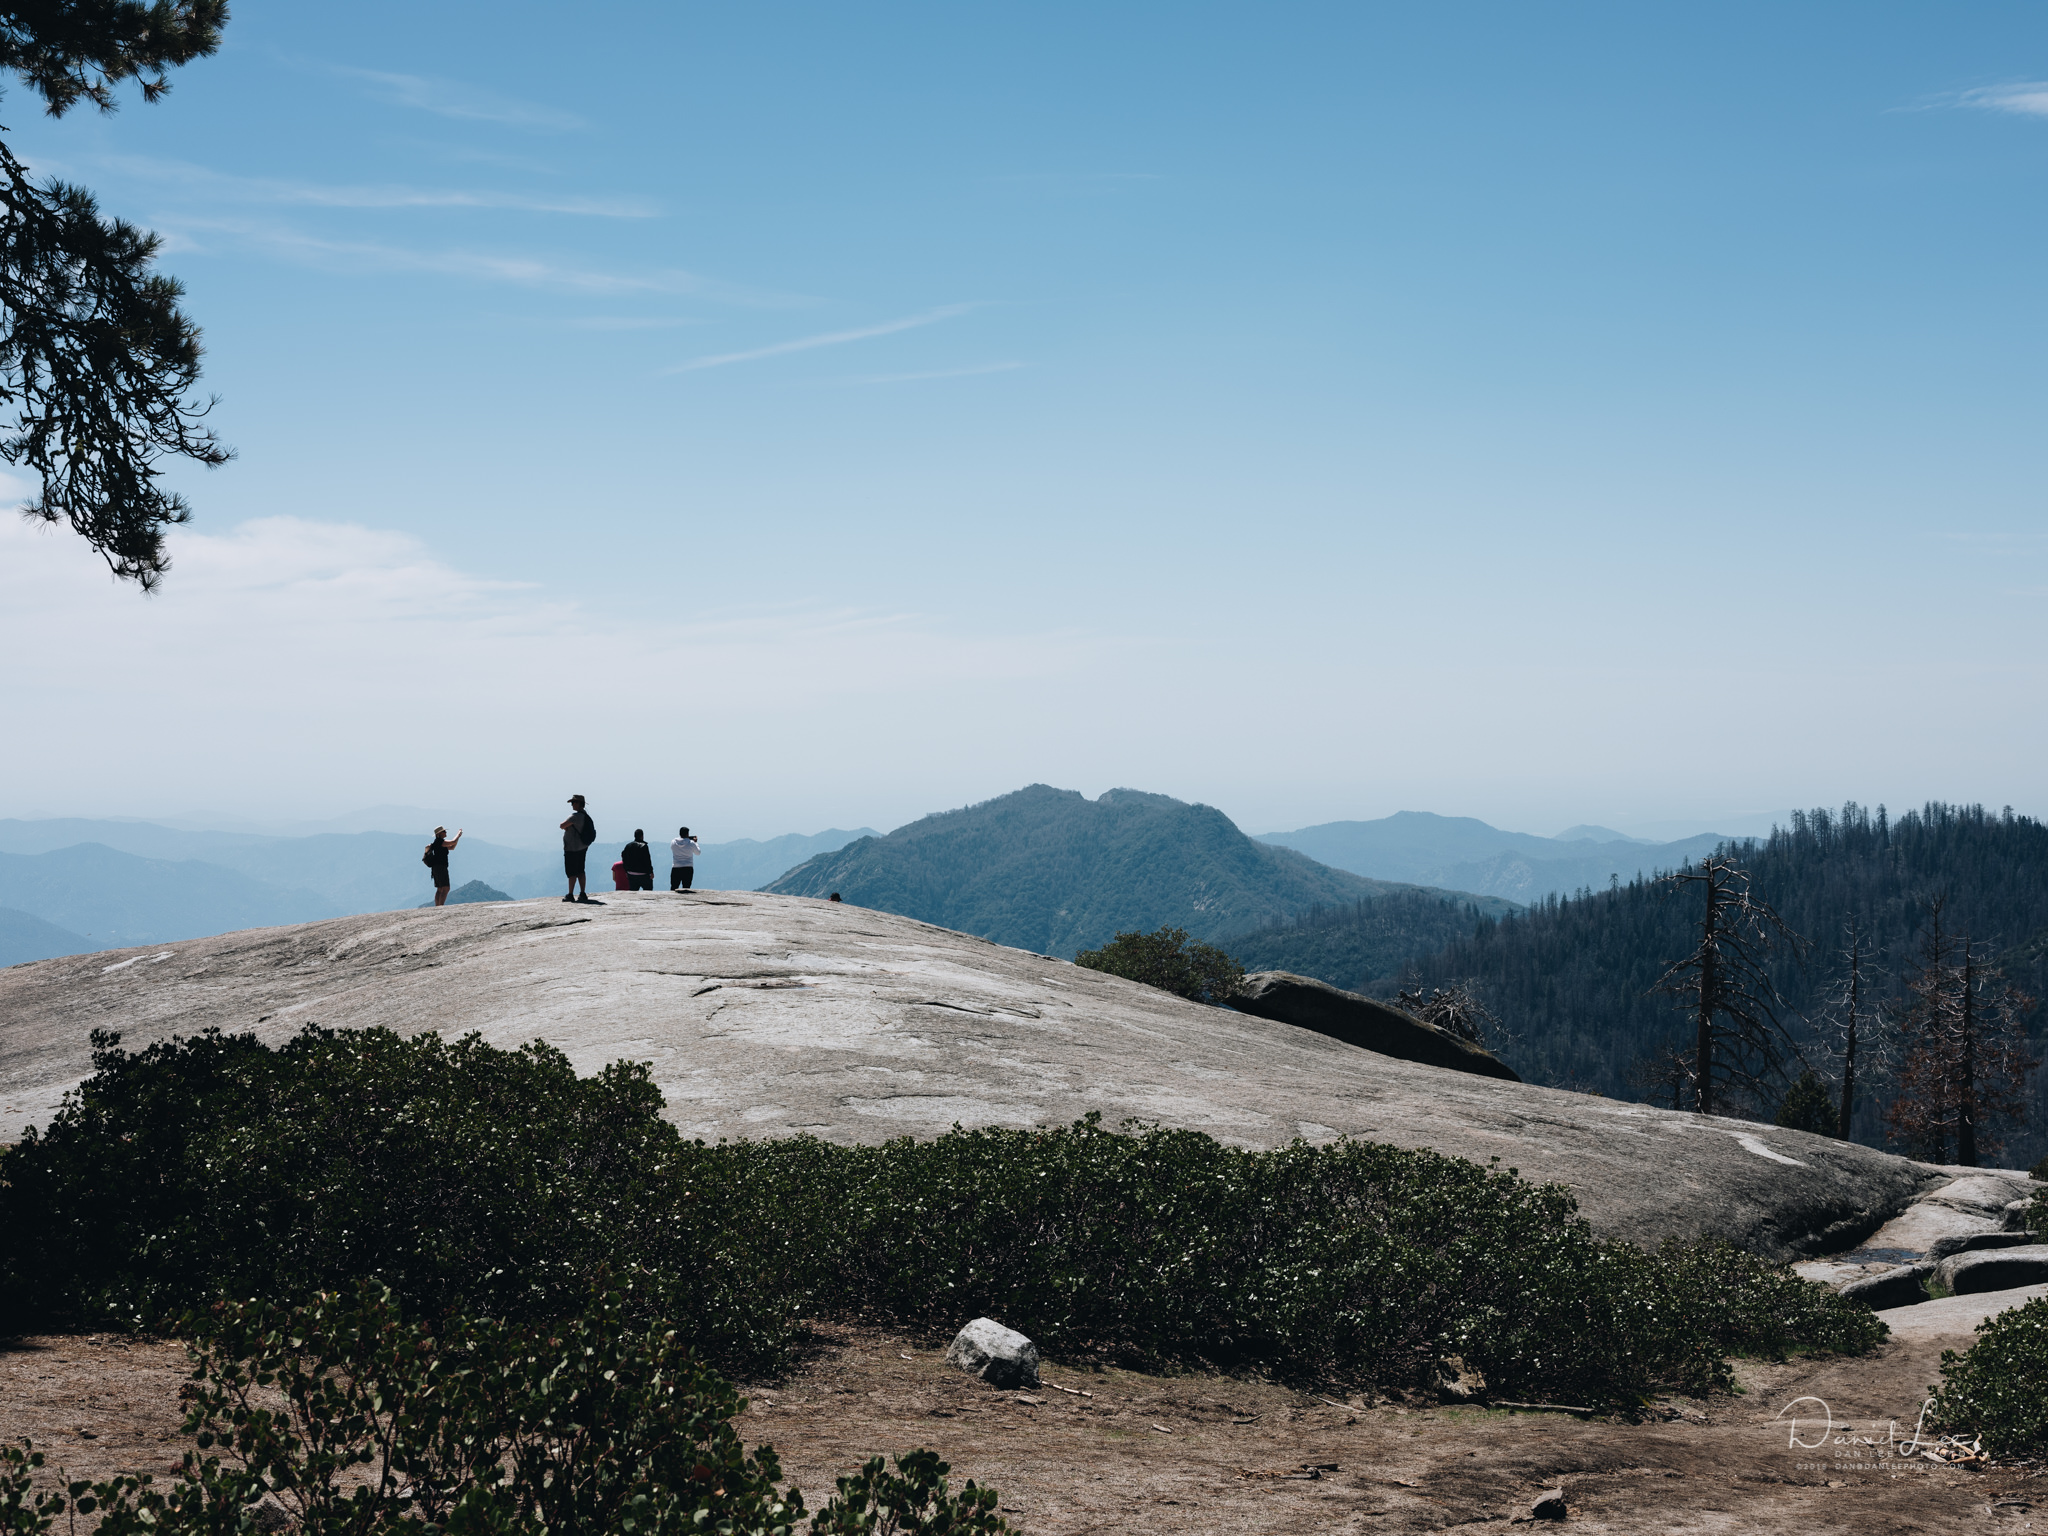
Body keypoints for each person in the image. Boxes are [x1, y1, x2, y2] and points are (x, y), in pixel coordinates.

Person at [560, 794, 596, 903]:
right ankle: (582, 893)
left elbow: (562, 825)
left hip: (572, 849)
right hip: (582, 848)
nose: (572, 805)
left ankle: (570, 894)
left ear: (579, 804)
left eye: (573, 802)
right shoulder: (586, 816)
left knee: (571, 872)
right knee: (581, 870)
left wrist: (567, 827)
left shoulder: (575, 817)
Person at [423, 825, 463, 906]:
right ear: (439, 834)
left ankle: (438, 906)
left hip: (436, 868)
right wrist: (458, 834)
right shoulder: (440, 842)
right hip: (441, 867)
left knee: (440, 888)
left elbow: (452, 847)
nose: (446, 832)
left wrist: (458, 838)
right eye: (444, 831)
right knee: (445, 888)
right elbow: (453, 842)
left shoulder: (437, 843)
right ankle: (441, 906)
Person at [670, 826, 700, 891]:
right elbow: (698, 853)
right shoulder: (691, 843)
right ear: (687, 834)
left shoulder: (673, 842)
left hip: (676, 867)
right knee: (686, 888)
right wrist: (695, 842)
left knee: (674, 887)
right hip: (688, 867)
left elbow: (672, 848)